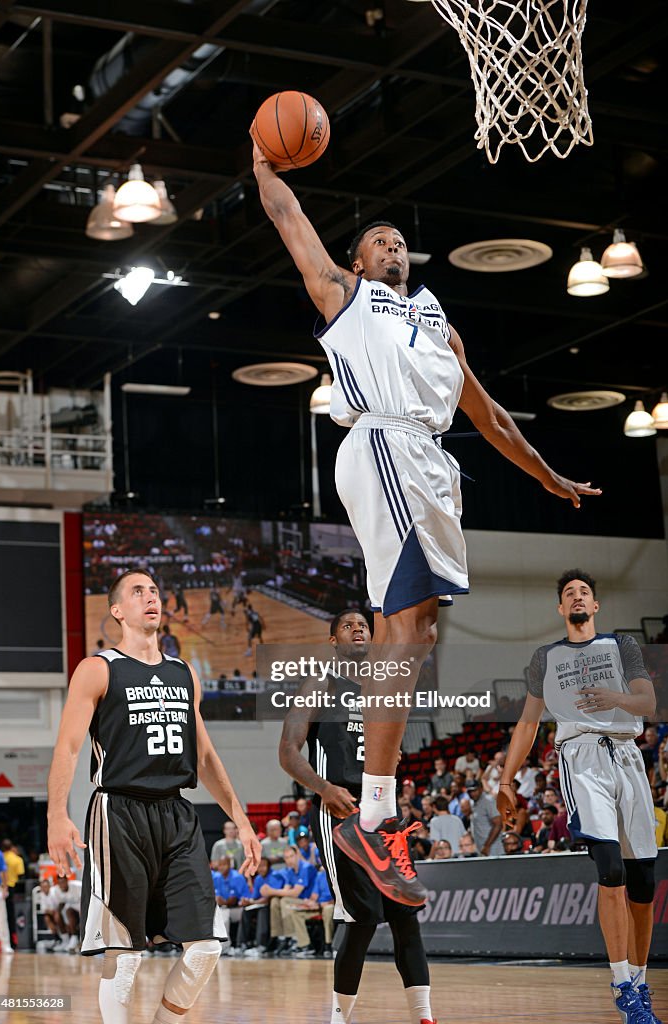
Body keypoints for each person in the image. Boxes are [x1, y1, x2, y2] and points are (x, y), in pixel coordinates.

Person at [253, 142, 601, 905]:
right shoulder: (346, 299)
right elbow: (292, 223)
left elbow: (491, 414)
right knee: (404, 625)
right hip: (382, 443)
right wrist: (265, 171)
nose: (393, 247)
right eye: (379, 241)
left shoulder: (440, 323)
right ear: (358, 257)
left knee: (414, 633)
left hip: (433, 466)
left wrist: (547, 476)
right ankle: (375, 817)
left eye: (400, 241)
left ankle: (376, 813)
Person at [47, 568, 260, 1024]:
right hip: (118, 811)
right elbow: (66, 746)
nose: (151, 598)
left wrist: (241, 820)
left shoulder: (184, 673)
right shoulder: (97, 668)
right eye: (138, 592)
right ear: (117, 610)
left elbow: (204, 756)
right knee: (125, 954)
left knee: (204, 947)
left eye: (155, 591)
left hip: (177, 815)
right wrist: (55, 816)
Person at [497, 570, 660, 1024]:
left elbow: (646, 703)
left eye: (584, 592)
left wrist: (615, 696)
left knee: (643, 881)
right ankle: (621, 980)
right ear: (560, 609)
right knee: (610, 869)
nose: (577, 598)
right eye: (569, 594)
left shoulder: (621, 646)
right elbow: (528, 725)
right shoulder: (545, 657)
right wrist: (507, 780)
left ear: (596, 605)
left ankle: (641, 980)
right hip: (581, 757)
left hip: (627, 756)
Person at [279, 608, 438, 1024]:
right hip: (340, 809)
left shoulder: (382, 689)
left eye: (364, 626)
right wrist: (323, 788)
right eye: (348, 626)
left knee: (406, 917)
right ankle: (338, 1018)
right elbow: (288, 750)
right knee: (362, 918)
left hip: (382, 811)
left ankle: (423, 1016)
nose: (358, 630)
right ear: (334, 642)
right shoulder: (322, 682)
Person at [465, 780, 502, 857]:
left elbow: (498, 824)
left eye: (474, 790)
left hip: (492, 848)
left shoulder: (488, 801)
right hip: (481, 848)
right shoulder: (473, 802)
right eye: (470, 792)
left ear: (481, 789)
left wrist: (487, 846)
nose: (472, 794)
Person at [1, 839, 24, 948]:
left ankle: (0, 941)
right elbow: (21, 875)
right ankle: (12, 942)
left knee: (0, 917)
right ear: (11, 847)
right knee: (11, 916)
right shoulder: (17, 859)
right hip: (13, 889)